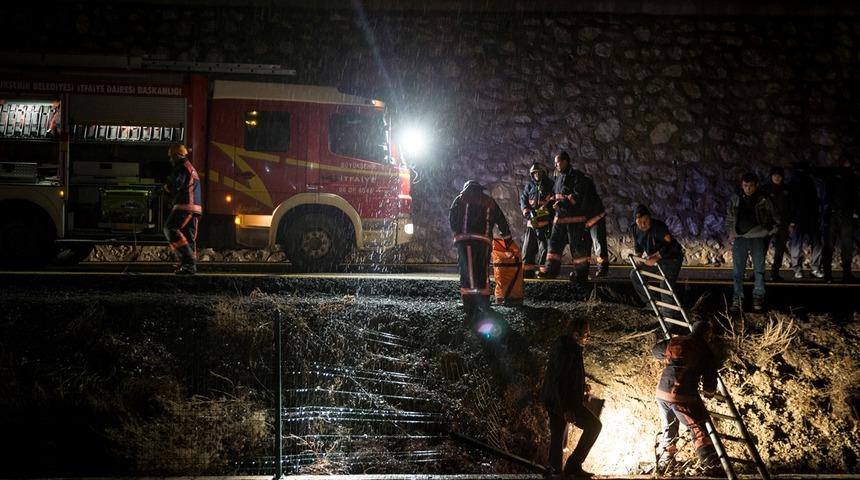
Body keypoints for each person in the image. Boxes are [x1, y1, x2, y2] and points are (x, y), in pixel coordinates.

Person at [652, 321, 721, 476]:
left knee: (669, 427)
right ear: (707, 334)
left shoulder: (677, 341)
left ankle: (665, 461)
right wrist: (709, 393)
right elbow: (710, 380)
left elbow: (656, 350)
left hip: (662, 392)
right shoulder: (705, 350)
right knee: (698, 428)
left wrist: (670, 356)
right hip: (682, 396)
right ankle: (711, 465)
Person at [541, 317, 602, 477]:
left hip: (561, 401)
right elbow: (558, 381)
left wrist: (581, 386)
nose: (588, 337)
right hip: (560, 402)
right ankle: (564, 468)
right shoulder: (566, 351)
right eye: (586, 334)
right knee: (593, 426)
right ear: (576, 334)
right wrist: (566, 409)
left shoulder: (570, 347)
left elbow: (567, 376)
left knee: (559, 434)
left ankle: (561, 469)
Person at [449, 180, 514, 321]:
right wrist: (507, 238)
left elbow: (452, 218)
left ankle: (469, 305)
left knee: (468, 272)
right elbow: (501, 220)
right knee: (482, 271)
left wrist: (457, 231)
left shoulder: (460, 199)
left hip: (464, 240)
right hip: (483, 242)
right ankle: (484, 303)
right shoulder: (489, 201)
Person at [539, 151, 594, 286]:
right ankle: (551, 270)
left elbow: (577, 196)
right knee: (554, 244)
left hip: (575, 220)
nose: (555, 165)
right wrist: (546, 206)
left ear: (565, 161)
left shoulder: (577, 177)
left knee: (577, 248)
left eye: (557, 162)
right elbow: (554, 195)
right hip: (560, 219)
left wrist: (562, 204)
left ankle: (581, 276)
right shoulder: (558, 178)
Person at [726, 172, 778, 312]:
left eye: (750, 186)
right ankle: (737, 299)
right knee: (738, 271)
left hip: (757, 237)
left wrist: (769, 231)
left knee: (759, 270)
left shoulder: (763, 199)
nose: (748, 189)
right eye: (745, 186)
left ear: (756, 186)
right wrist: (731, 232)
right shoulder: (736, 199)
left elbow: (774, 216)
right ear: (742, 185)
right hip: (740, 238)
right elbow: (730, 217)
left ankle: (758, 297)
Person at [629, 205, 684, 322]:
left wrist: (656, 256)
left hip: (671, 258)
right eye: (640, 223)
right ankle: (651, 304)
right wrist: (638, 258)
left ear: (650, 218)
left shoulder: (659, 228)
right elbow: (638, 245)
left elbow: (672, 246)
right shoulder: (634, 229)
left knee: (665, 286)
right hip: (654, 259)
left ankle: (668, 318)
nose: (643, 225)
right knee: (635, 274)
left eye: (645, 221)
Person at [818, 154, 858, 283]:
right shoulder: (833, 175)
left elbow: (855, 196)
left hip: (845, 216)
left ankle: (846, 273)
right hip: (832, 215)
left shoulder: (852, 177)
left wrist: (855, 213)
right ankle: (828, 274)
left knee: (846, 246)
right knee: (829, 245)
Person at [163, 143, 202, 275]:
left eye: (171, 157)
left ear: (177, 156)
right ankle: (190, 268)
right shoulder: (191, 168)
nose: (170, 160)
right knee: (187, 237)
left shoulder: (182, 167)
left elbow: (175, 185)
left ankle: (188, 262)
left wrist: (166, 188)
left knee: (170, 229)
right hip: (195, 208)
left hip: (185, 206)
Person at [787, 164, 825, 279]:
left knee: (816, 244)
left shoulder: (813, 183)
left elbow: (817, 201)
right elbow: (791, 203)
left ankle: (814, 268)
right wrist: (792, 220)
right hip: (799, 218)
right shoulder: (794, 183)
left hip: (811, 218)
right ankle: (799, 269)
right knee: (796, 245)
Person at [519, 162, 554, 278]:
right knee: (527, 250)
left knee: (544, 250)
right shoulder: (529, 186)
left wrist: (537, 213)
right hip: (531, 225)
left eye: (539, 172)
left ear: (543, 173)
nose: (537, 174)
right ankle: (527, 272)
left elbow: (550, 207)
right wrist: (528, 213)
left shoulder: (550, 185)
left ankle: (543, 272)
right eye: (534, 173)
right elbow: (523, 200)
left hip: (544, 225)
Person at [759, 166, 791, 281]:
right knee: (762, 249)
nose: (777, 178)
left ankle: (775, 273)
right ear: (771, 176)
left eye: (779, 175)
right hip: (767, 224)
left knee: (780, 250)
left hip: (782, 224)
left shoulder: (787, 190)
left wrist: (791, 223)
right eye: (775, 175)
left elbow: (791, 207)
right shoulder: (764, 190)